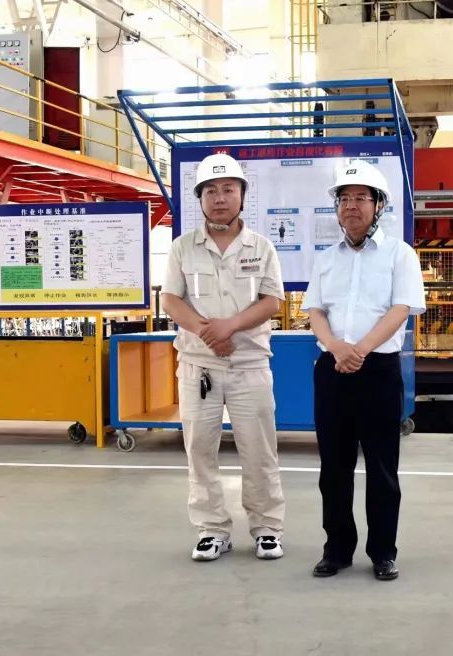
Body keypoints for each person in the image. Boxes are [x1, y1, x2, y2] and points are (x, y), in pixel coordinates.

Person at [301, 160, 425, 581]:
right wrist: (337, 348)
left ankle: (383, 552)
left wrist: (361, 350)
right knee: (333, 469)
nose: (351, 206)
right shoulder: (326, 259)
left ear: (378, 206)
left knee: (382, 468)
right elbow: (315, 311)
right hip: (332, 370)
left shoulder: (400, 254)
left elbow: (401, 309)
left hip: (378, 371)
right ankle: (336, 550)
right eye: (344, 199)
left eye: (360, 198)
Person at [160, 153, 287, 561]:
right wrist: (208, 334)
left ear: (242, 195)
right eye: (211, 191)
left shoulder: (261, 247)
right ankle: (212, 529)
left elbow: (271, 301)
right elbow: (170, 300)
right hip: (199, 366)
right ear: (200, 198)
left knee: (259, 450)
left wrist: (229, 327)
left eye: (228, 189)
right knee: (200, 450)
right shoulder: (182, 248)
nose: (220, 198)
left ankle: (267, 528)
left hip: (250, 365)